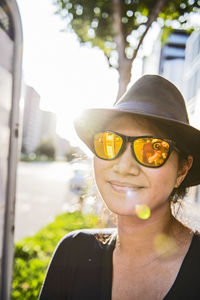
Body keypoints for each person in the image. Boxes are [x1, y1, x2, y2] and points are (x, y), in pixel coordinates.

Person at [39, 74, 200, 300]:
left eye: (152, 149)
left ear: (182, 170)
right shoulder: (72, 254)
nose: (124, 167)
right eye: (109, 142)